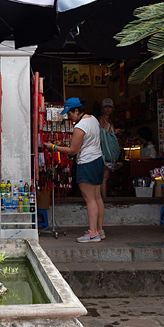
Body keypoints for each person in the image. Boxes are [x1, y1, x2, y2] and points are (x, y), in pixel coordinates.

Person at [44, 97, 105, 243]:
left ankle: (93, 233)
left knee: (89, 199)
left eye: (69, 113)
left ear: (76, 110)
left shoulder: (80, 127)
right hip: (98, 161)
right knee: (97, 197)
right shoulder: (94, 119)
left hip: (87, 163)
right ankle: (99, 230)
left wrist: (53, 147)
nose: (68, 117)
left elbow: (72, 150)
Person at [98, 98, 123, 199]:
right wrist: (113, 132)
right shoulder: (101, 119)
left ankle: (104, 197)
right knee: (104, 177)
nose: (108, 109)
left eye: (110, 107)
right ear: (102, 109)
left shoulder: (109, 121)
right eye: (105, 107)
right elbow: (101, 134)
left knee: (105, 177)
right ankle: (104, 199)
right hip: (104, 151)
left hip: (108, 151)